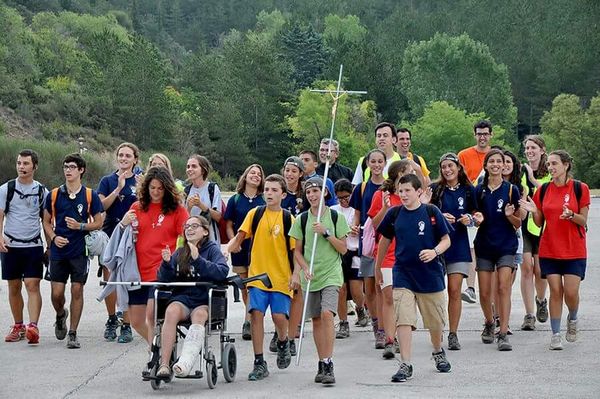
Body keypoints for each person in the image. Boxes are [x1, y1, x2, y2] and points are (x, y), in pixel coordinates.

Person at [376, 174, 452, 383]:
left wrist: (434, 252)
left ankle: (437, 350)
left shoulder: (431, 212)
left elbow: (446, 240)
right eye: (400, 191)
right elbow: (384, 240)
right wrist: (378, 266)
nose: (403, 194)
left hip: (430, 274)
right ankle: (405, 363)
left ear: (419, 191)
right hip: (403, 273)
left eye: (407, 190)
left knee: (435, 322)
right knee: (404, 319)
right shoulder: (394, 213)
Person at [519, 150, 590, 350]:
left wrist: (572, 215)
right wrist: (534, 212)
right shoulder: (543, 190)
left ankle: (573, 318)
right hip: (549, 248)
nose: (550, 167)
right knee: (555, 291)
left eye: (554, 164)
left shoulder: (579, 188)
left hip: (574, 249)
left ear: (566, 165)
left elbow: (583, 220)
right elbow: (540, 221)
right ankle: (556, 334)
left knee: (571, 292)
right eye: (548, 164)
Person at [227, 174, 295, 381]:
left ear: (283, 194)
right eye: (266, 190)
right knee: (255, 314)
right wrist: (226, 251)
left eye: (274, 190)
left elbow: (295, 251)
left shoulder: (287, 219)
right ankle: (259, 362)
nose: (269, 194)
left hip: (281, 277)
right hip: (257, 276)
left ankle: (283, 341)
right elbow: (238, 239)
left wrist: (296, 275)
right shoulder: (255, 214)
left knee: (278, 317)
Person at [289, 176, 350, 385]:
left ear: (324, 193)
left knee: (326, 314)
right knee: (315, 319)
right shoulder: (302, 219)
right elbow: (296, 252)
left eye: (316, 191)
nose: (312, 195)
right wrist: (304, 268)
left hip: (331, 274)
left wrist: (326, 233)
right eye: (308, 192)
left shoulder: (336, 217)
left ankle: (329, 360)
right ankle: (321, 360)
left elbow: (343, 248)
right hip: (311, 276)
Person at [119, 167, 189, 345]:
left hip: (160, 271)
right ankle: (158, 347)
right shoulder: (137, 207)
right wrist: (123, 223)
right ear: (146, 188)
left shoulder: (177, 210)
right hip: (137, 271)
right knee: (136, 321)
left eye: (160, 188)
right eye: (152, 188)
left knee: (152, 316)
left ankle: (155, 357)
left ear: (167, 188)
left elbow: (190, 234)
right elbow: (122, 238)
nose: (156, 192)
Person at [42, 153, 105, 349]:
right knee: (56, 294)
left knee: (77, 290)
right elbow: (45, 221)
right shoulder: (53, 194)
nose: (67, 170)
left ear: (81, 170)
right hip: (58, 252)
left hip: (79, 251)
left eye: (71, 167)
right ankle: (61, 315)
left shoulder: (89, 195)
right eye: (65, 167)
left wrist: (80, 226)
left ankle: (73, 333)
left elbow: (99, 222)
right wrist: (53, 238)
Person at [155, 215, 229, 378]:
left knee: (200, 315)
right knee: (171, 311)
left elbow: (222, 272)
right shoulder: (181, 252)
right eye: (187, 226)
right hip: (183, 298)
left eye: (194, 226)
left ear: (204, 231)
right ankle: (164, 364)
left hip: (204, 299)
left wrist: (198, 259)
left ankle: (185, 362)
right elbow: (165, 280)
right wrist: (167, 263)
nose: (189, 229)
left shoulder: (212, 249)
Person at [427, 153, 481, 351]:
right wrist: (439, 216)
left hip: (458, 245)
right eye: (443, 167)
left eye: (450, 166)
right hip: (437, 245)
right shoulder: (434, 189)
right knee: (436, 291)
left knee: (455, 290)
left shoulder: (469, 190)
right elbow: (423, 212)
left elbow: (477, 214)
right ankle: (438, 329)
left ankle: (453, 333)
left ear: (458, 168)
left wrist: (469, 218)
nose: (447, 170)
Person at [474, 149, 521, 351]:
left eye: (498, 161)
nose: (495, 164)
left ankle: (503, 332)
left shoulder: (512, 190)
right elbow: (475, 218)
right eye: (491, 161)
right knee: (484, 293)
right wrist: (477, 220)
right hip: (484, 245)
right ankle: (489, 322)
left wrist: (510, 215)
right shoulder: (478, 190)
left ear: (504, 165)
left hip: (506, 245)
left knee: (503, 287)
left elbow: (518, 223)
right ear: (485, 165)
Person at [1, 149, 48, 344]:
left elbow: (46, 220)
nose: (22, 167)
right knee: (13, 286)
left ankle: (33, 327)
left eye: (26, 163)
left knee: (32, 284)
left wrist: (50, 246)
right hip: (10, 245)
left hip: (33, 245)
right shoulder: (6, 189)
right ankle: (18, 325)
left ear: (34, 166)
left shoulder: (41, 191)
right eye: (19, 163)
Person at [97, 142, 141, 343]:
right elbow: (101, 206)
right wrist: (118, 189)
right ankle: (111, 318)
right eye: (121, 155)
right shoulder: (107, 180)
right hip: (111, 232)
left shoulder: (140, 180)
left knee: (128, 279)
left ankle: (126, 324)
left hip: (134, 235)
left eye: (128, 156)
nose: (123, 159)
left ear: (135, 159)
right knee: (110, 277)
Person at [369, 160, 412, 358]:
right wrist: (385, 208)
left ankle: (401, 334)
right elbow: (375, 225)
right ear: (399, 173)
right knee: (387, 296)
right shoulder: (381, 195)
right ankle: (388, 339)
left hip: (407, 253)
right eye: (409, 171)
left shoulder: (413, 194)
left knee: (402, 298)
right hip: (386, 253)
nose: (412, 173)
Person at [223, 164, 266, 341]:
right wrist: (235, 243)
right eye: (252, 172)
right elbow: (228, 225)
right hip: (240, 249)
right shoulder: (235, 200)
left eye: (259, 174)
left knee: (256, 284)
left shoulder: (264, 200)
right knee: (245, 286)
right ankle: (248, 317)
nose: (255, 176)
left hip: (258, 248)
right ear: (245, 176)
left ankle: (252, 320)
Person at [349, 149, 386, 349]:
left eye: (380, 161)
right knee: (369, 287)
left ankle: (384, 327)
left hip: (386, 241)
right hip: (368, 242)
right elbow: (357, 214)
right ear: (368, 164)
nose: (377, 165)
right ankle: (375, 324)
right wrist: (355, 227)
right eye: (373, 161)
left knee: (383, 287)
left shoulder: (390, 187)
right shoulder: (362, 188)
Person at [457, 119, 494, 304]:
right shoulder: (464, 155)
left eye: (485, 133)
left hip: (492, 206)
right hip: (471, 205)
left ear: (490, 135)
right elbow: (459, 178)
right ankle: (471, 288)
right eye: (479, 133)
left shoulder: (496, 154)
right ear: (475, 135)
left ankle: (491, 292)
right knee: (472, 246)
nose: (482, 137)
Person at [519, 135, 551, 331]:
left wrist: (532, 179)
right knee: (526, 269)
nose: (530, 151)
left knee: (540, 270)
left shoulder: (550, 169)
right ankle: (529, 314)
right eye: (527, 148)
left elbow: (550, 192)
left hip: (544, 226)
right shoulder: (521, 170)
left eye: (533, 148)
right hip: (524, 225)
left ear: (542, 150)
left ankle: (541, 300)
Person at [331, 178, 366, 339]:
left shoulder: (358, 209)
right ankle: (343, 322)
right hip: (339, 253)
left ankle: (360, 307)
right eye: (340, 198)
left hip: (355, 250)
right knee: (341, 288)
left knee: (356, 288)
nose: (344, 201)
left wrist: (359, 230)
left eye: (347, 197)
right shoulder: (333, 210)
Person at [184, 155, 223, 243]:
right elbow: (183, 220)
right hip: (191, 241)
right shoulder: (186, 190)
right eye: (188, 167)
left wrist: (200, 205)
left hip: (211, 240)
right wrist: (189, 208)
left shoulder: (212, 188)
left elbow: (218, 217)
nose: (189, 169)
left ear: (203, 170)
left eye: (194, 166)